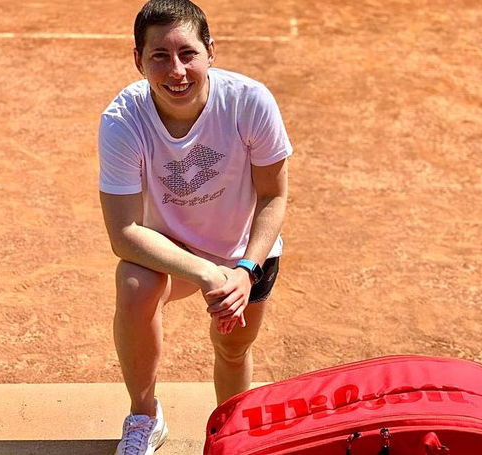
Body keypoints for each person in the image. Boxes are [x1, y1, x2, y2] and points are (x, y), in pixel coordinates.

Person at [97, 0, 292, 453]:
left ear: (210, 52)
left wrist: (243, 271)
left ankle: (234, 435)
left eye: (187, 53)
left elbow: (274, 196)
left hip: (246, 252)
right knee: (134, 283)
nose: (176, 70)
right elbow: (123, 233)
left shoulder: (249, 102)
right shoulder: (124, 121)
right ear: (138, 60)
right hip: (172, 248)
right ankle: (144, 415)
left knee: (232, 348)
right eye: (159, 56)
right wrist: (206, 272)